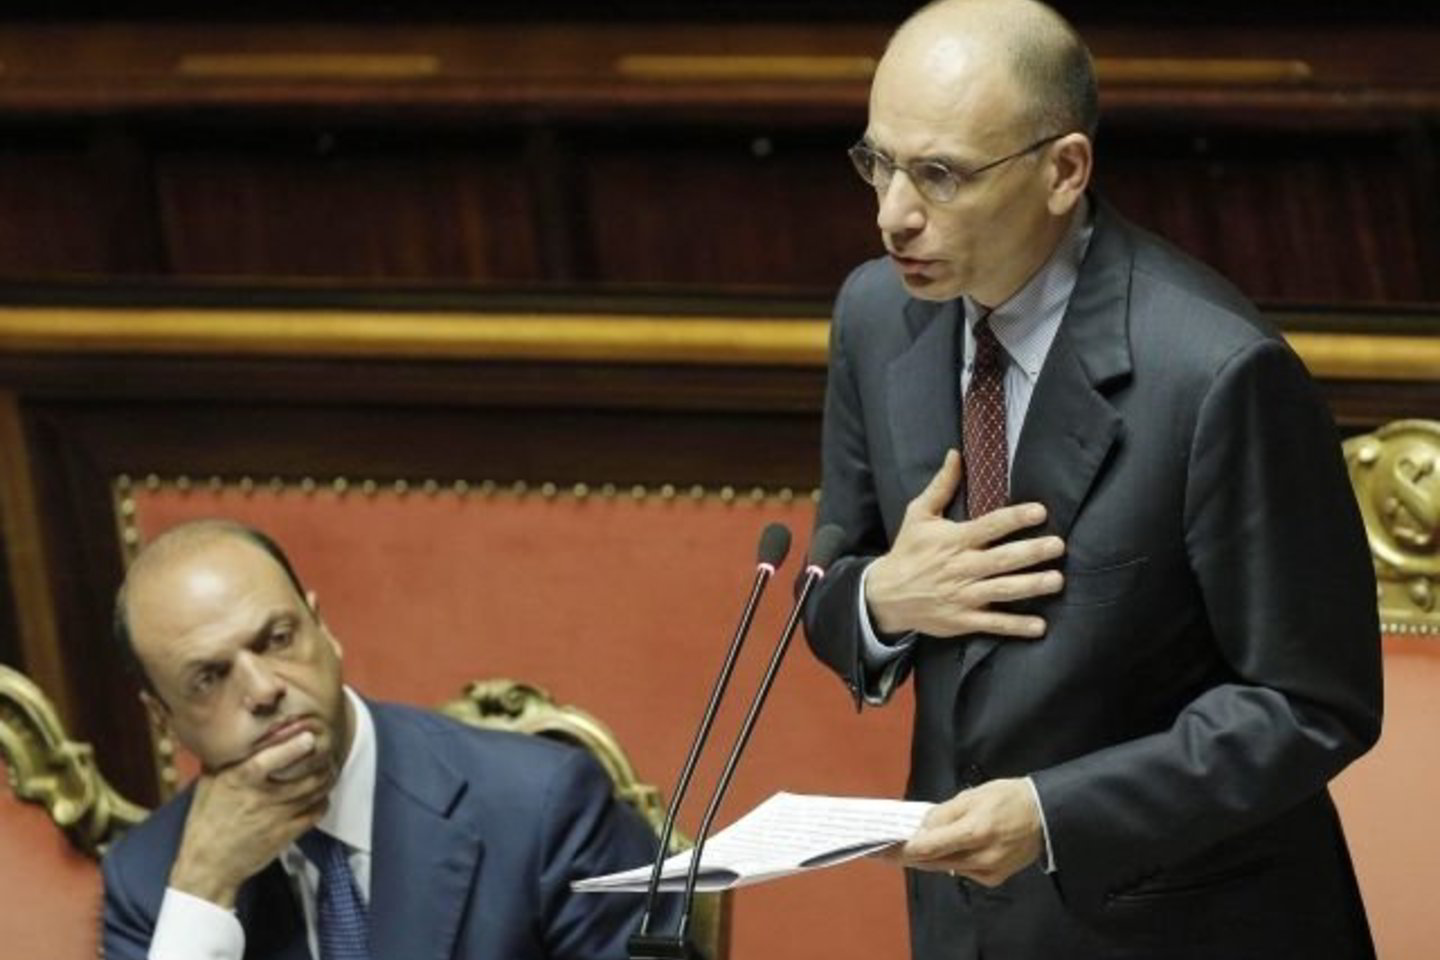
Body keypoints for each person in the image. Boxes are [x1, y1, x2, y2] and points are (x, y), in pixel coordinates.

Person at [802, 1, 1383, 957]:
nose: (892, 214)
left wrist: (1051, 814)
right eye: (879, 162)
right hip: (962, 927)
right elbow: (834, 572)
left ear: (1064, 171)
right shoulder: (875, 314)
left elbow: (1310, 704)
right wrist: (882, 601)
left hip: (1182, 928)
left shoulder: (1215, 373)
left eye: (941, 175)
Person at [102, 519, 667, 960]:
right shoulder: (150, 879)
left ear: (324, 629)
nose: (264, 689)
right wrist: (205, 887)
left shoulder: (541, 809)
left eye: (278, 639)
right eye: (210, 677)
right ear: (163, 717)